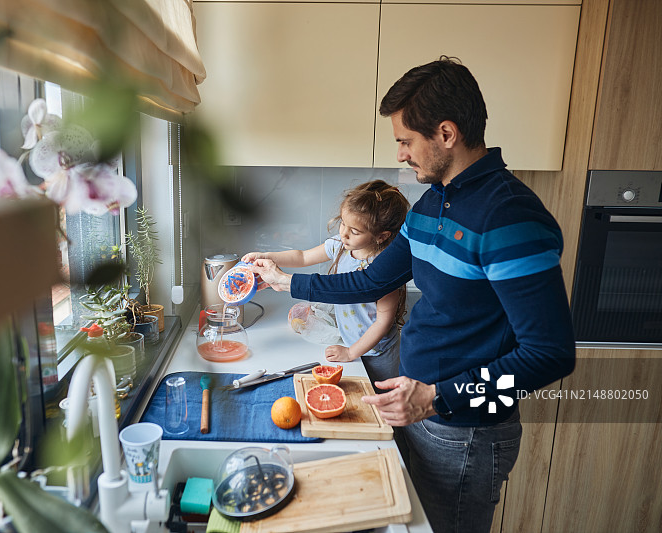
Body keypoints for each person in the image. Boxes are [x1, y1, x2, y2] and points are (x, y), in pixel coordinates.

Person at [248, 56, 575, 533]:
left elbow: (550, 354)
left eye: (405, 140)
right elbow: (370, 281)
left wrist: (438, 397)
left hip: (464, 431)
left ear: (446, 134)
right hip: (414, 406)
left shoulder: (511, 218)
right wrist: (285, 281)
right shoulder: (431, 204)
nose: (400, 154)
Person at [242, 180, 410, 390]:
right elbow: (302, 257)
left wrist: (350, 352)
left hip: (378, 354)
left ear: (381, 236)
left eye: (355, 231)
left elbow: (382, 323)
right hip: (351, 345)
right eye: (343, 223)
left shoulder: (384, 268)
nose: (344, 233)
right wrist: (267, 256)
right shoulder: (340, 246)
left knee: (379, 397)